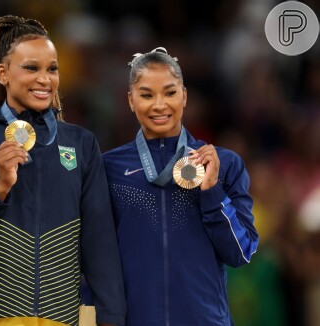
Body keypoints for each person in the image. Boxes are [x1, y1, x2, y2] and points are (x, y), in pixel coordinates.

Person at [0, 15, 125, 326]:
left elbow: (99, 240)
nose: (45, 79)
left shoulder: (81, 144)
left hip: (61, 316)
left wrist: (111, 316)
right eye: (31, 68)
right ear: (3, 73)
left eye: (51, 69)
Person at [103, 47, 259, 325]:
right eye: (147, 95)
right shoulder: (109, 168)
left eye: (170, 92)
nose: (159, 105)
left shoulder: (223, 164)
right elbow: (95, 255)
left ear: (184, 96)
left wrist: (212, 191)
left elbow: (240, 252)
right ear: (130, 100)